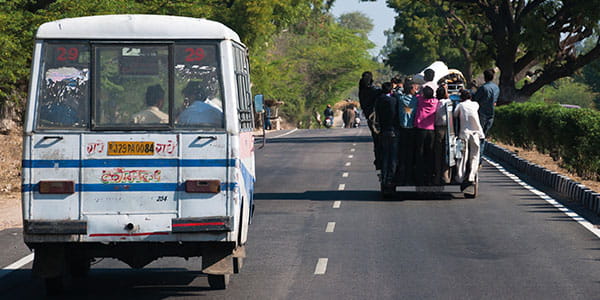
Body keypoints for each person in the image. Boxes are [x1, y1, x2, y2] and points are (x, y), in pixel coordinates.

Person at [454, 89, 484, 183]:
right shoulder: (475, 104)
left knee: (462, 156)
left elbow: (455, 115)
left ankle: (460, 177)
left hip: (463, 134)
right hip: (476, 133)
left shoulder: (460, 105)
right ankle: (471, 176)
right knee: (475, 156)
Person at [374, 82, 399, 187]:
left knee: (385, 156)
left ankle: (384, 178)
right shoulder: (394, 100)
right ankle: (390, 178)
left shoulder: (378, 100)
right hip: (393, 131)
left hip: (383, 131)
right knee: (393, 157)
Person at [413, 86, 438, 186]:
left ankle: (419, 176)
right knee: (430, 152)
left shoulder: (420, 100)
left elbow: (416, 95)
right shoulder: (435, 102)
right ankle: (429, 176)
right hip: (431, 130)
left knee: (419, 152)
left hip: (420, 130)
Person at [473, 68, 500, 162]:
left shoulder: (483, 88)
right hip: (491, 114)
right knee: (484, 136)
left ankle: (477, 158)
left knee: (478, 137)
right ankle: (480, 158)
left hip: (482, 114)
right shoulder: (496, 88)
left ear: (485, 77)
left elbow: (475, 99)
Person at [396, 78, 418, 184]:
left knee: (402, 154)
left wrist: (401, 87)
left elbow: (397, 91)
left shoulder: (401, 98)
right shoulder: (416, 100)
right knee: (411, 154)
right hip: (413, 130)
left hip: (403, 130)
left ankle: (402, 177)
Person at [359, 71, 381, 168]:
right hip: (376, 117)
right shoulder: (373, 90)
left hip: (369, 117)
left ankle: (378, 159)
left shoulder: (361, 90)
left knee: (376, 140)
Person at [433, 85, 452, 184]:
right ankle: (445, 175)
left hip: (437, 129)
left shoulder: (435, 103)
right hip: (447, 129)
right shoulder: (447, 103)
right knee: (447, 153)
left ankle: (437, 175)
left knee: (438, 153)